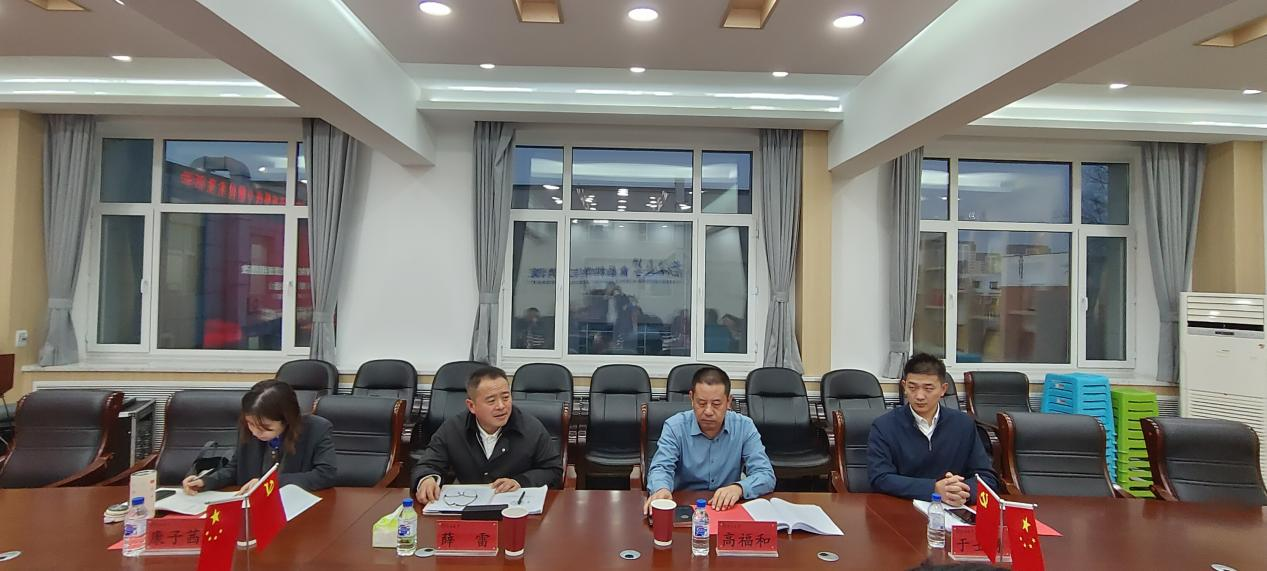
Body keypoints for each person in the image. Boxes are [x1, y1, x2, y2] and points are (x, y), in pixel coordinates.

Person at [412, 366, 563, 503]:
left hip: (515, 509)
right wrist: (427, 479)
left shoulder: (531, 428)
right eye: (491, 401)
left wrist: (520, 481)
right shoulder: (453, 429)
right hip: (467, 506)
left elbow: (553, 470)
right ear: (472, 406)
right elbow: (427, 464)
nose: (501, 406)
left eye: (506, 397)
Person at [867, 354, 999, 506]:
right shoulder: (884, 426)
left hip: (954, 508)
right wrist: (933, 489)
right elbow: (880, 478)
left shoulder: (963, 424)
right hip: (903, 508)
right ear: (904, 386)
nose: (919, 396)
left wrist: (961, 492)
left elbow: (986, 477)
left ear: (943, 389)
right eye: (912, 387)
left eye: (928, 388)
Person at [644, 367, 775, 515]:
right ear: (691, 398)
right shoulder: (675, 427)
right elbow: (661, 468)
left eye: (716, 404)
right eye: (701, 403)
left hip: (726, 507)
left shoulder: (744, 427)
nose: (708, 411)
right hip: (684, 507)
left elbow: (765, 474)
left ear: (728, 401)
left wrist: (739, 488)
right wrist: (661, 489)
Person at [183, 379, 337, 494]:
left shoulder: (317, 429)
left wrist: (269, 483)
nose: (255, 433)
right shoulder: (248, 428)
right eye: (251, 424)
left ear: (287, 420)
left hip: (296, 505)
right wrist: (206, 481)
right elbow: (235, 468)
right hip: (251, 507)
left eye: (266, 428)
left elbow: (326, 475)